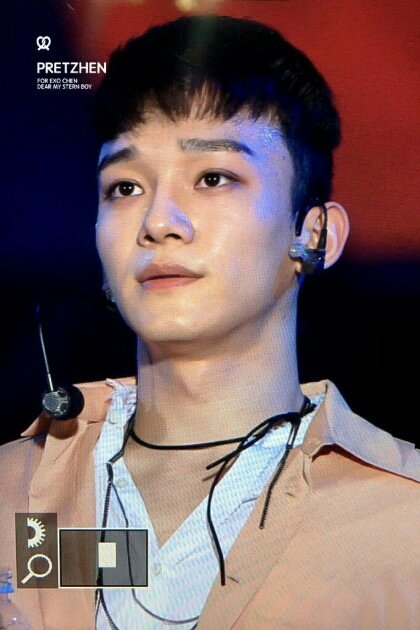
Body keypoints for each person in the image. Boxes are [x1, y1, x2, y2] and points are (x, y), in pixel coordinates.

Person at [1, 14, 419, 630]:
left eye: (213, 178)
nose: (158, 222)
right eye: (124, 188)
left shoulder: (400, 517)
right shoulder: (17, 492)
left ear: (316, 235)